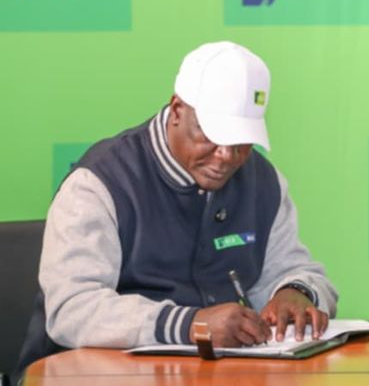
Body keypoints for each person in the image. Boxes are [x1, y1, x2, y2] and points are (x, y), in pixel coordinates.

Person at [18, 42, 338, 371]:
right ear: (176, 110)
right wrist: (189, 326)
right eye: (212, 134)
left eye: (241, 141)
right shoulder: (100, 183)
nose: (226, 157)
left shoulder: (264, 181)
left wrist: (296, 292)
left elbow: (298, 270)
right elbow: (72, 309)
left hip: (219, 375)